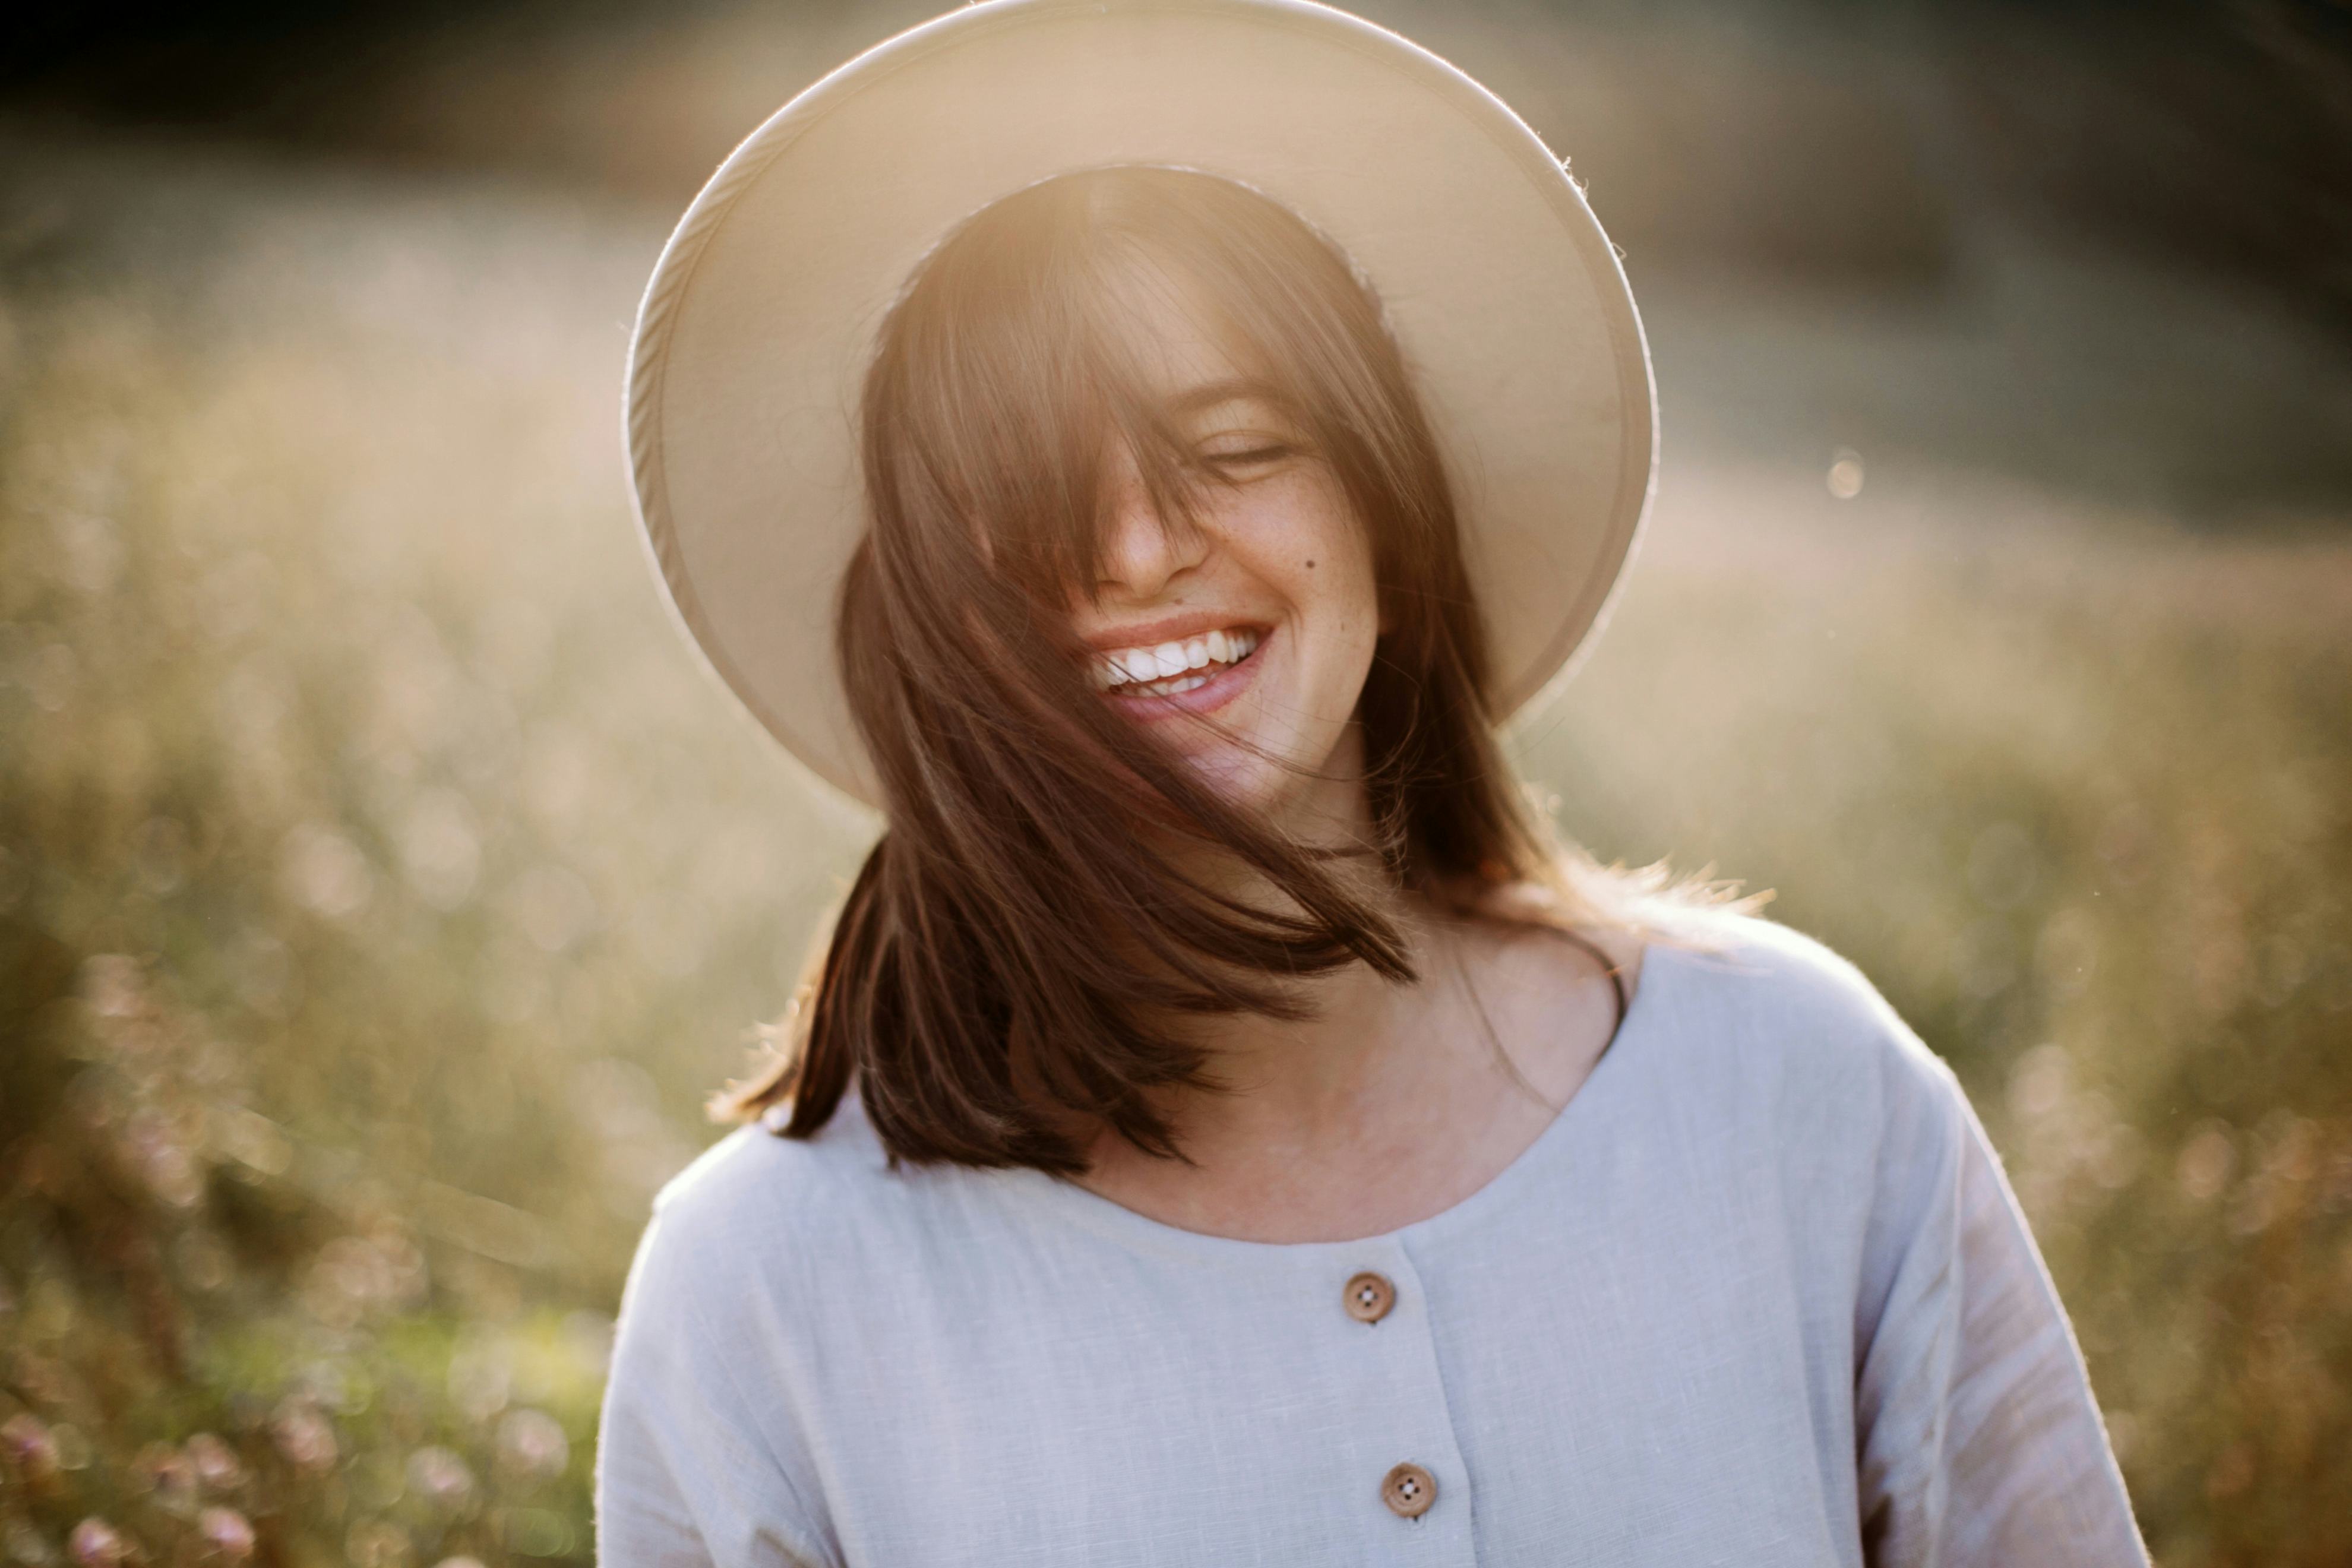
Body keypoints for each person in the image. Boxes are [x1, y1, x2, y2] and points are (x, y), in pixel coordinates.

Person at [596, 2, 2148, 1563]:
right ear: (932, 615)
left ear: (1391, 519)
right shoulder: (766, 1291)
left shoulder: (1806, 1097)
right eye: (1024, 488)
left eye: (1239, 445)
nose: (1137, 552)